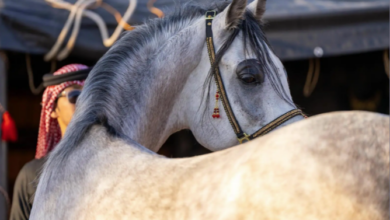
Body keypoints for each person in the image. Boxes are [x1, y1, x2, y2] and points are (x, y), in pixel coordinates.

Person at [9, 64, 91, 220]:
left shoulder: (113, 165)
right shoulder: (32, 175)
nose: (84, 101)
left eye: (89, 94)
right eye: (75, 95)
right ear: (52, 109)